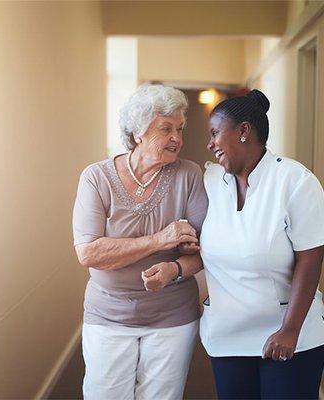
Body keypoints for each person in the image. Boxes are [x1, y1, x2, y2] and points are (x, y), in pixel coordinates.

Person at [72, 84, 208, 399]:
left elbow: (204, 251)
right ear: (138, 134)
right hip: (108, 314)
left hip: (172, 316)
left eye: (180, 128)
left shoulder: (188, 175)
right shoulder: (97, 178)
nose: (177, 137)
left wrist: (174, 269)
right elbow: (89, 252)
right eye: (166, 129)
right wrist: (163, 239)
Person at [200, 89, 324, 399]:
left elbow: (310, 259)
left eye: (215, 133)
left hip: (286, 335)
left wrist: (290, 330)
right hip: (227, 337)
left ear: (243, 131)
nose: (210, 143)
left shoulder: (295, 181)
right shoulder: (213, 182)